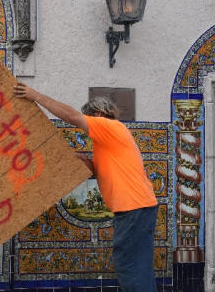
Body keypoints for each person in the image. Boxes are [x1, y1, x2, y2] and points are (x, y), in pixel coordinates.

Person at [14, 81, 158, 292]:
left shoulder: (108, 126)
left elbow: (71, 116)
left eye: (89, 118)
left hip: (133, 208)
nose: (86, 124)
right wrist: (87, 162)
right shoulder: (109, 140)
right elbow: (104, 173)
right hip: (137, 208)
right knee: (136, 267)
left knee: (131, 268)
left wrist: (35, 95)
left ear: (98, 114)